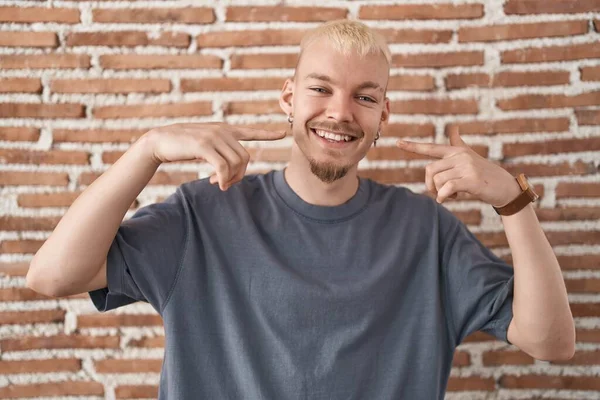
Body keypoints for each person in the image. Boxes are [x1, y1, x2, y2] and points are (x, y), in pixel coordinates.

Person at [27, 20, 575, 399]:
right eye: (321, 89)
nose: (340, 113)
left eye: (364, 97)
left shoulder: (426, 230)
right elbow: (51, 276)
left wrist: (512, 199)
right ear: (288, 98)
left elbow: (550, 342)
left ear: (384, 114)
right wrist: (145, 149)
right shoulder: (202, 214)